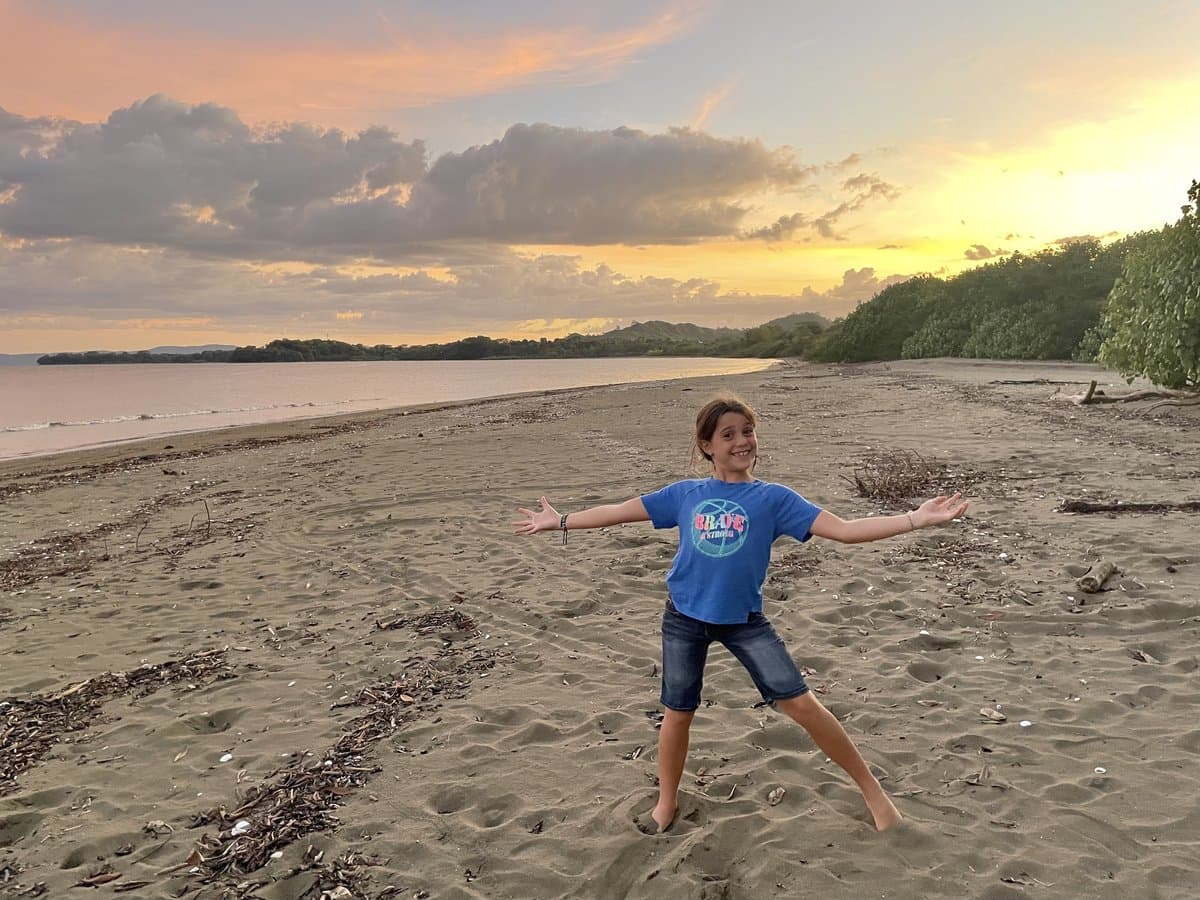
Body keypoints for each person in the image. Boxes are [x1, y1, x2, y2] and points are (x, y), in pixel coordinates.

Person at [513, 394, 967, 833]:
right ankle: (666, 801)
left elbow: (845, 531)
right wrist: (563, 520)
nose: (741, 441)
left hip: (745, 621)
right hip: (684, 618)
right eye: (727, 434)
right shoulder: (685, 494)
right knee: (678, 711)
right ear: (707, 446)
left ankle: (873, 793)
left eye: (747, 431)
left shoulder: (775, 499)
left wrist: (913, 519)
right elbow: (619, 511)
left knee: (802, 704)